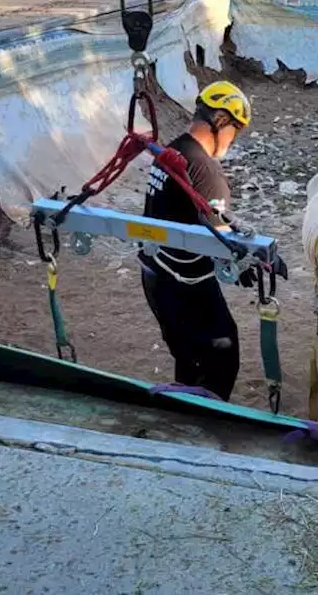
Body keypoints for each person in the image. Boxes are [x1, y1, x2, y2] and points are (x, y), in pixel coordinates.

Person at [139, 80, 252, 401]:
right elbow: (222, 241)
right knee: (222, 354)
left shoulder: (172, 150)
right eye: (236, 129)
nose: (234, 139)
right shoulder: (205, 170)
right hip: (186, 281)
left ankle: (181, 414)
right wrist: (249, 261)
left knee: (188, 357)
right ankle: (203, 427)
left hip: (155, 278)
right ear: (220, 122)